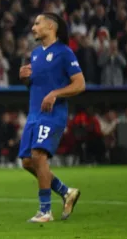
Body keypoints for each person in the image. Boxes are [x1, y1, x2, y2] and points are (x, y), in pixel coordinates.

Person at [19, 12, 85, 223]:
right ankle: (66, 192)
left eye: (37, 23)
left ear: (51, 27)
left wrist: (55, 94)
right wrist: (24, 78)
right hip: (34, 114)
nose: (33, 28)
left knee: (38, 156)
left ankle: (45, 211)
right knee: (28, 162)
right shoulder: (36, 54)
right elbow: (36, 84)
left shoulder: (65, 53)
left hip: (52, 114)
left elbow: (79, 84)